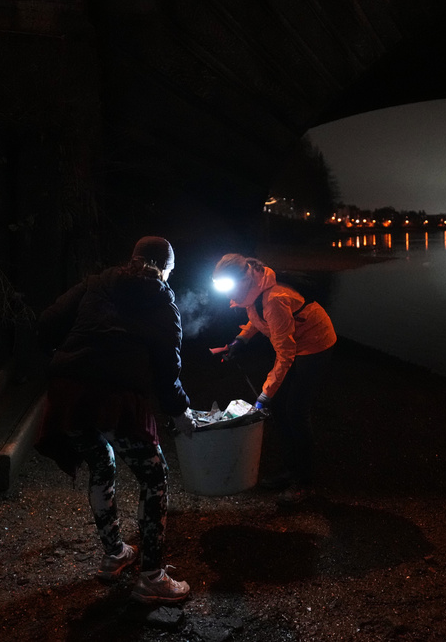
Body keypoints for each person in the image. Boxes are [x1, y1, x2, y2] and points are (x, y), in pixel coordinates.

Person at [36, 236, 194, 604]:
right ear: (166, 268)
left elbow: (46, 322)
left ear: (133, 258)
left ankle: (114, 554)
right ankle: (152, 577)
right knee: (154, 476)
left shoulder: (97, 283)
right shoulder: (162, 301)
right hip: (116, 399)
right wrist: (180, 411)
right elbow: (168, 370)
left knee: (101, 464)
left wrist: (65, 358)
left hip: (69, 395)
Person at [211, 254, 337, 506]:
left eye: (229, 288)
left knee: (296, 412)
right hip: (295, 343)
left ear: (241, 281)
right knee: (280, 408)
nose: (227, 296)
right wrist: (241, 340)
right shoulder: (254, 287)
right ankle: (290, 470)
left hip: (314, 344)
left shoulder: (274, 300)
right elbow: (256, 316)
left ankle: (304, 484)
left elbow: (285, 354)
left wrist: (264, 395)